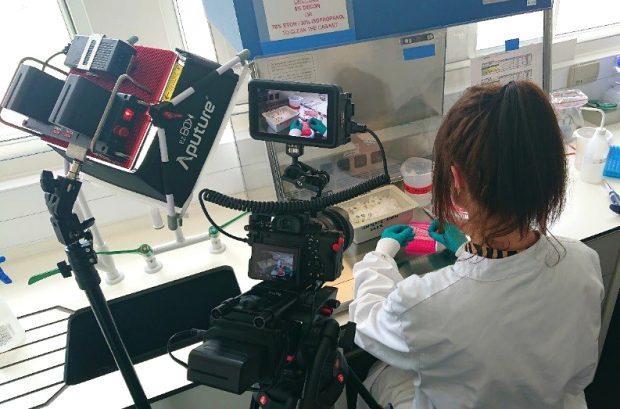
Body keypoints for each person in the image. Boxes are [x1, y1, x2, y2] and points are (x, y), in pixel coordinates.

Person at [349, 81, 604, 409]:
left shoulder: (426, 305)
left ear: (456, 180)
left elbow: (368, 322)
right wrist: (464, 250)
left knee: (383, 374)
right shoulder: (582, 262)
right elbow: (569, 368)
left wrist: (380, 255)